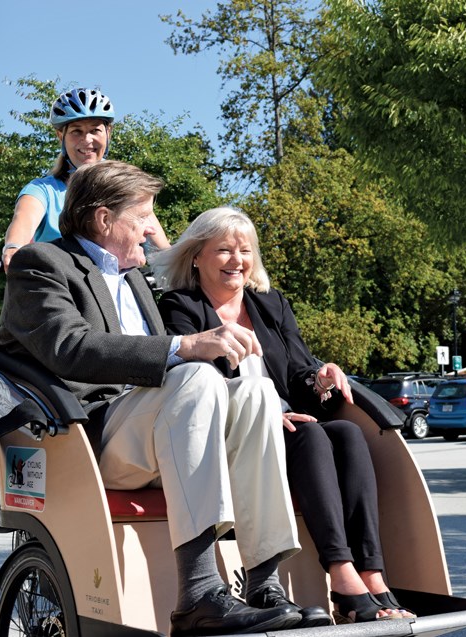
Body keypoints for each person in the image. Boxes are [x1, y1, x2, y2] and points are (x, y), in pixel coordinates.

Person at [0, 162, 330, 636]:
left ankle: (263, 584)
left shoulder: (136, 279)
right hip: (93, 437)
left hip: (162, 428)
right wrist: (187, 345)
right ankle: (197, 594)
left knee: (256, 391)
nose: (154, 230)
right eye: (144, 216)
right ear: (104, 219)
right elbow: (70, 348)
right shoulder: (42, 264)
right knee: (193, 373)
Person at [156, 207, 416, 624]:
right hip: (232, 429)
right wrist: (262, 412)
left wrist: (321, 377)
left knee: (348, 433)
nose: (237, 260)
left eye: (244, 250)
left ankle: (371, 571)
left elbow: (298, 369)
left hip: (290, 418)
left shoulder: (270, 305)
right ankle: (341, 576)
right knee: (312, 437)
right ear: (196, 257)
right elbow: (192, 382)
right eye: (223, 249)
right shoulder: (179, 306)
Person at [1, 87, 169, 270]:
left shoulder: (127, 187)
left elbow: (160, 250)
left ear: (108, 133)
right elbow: (24, 220)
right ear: (61, 136)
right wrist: (13, 248)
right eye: (76, 131)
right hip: (64, 287)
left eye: (95, 130)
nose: (87, 139)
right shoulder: (42, 190)